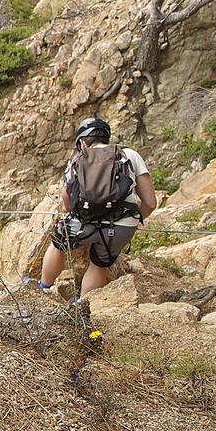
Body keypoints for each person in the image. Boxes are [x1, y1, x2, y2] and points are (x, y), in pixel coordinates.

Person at [27, 116, 158, 300]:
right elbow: (150, 202)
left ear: (82, 142)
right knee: (99, 264)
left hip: (83, 223)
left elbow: (66, 203)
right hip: (121, 227)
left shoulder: (77, 159)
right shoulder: (130, 155)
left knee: (58, 246)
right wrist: (131, 222)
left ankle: (44, 288)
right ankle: (81, 305)